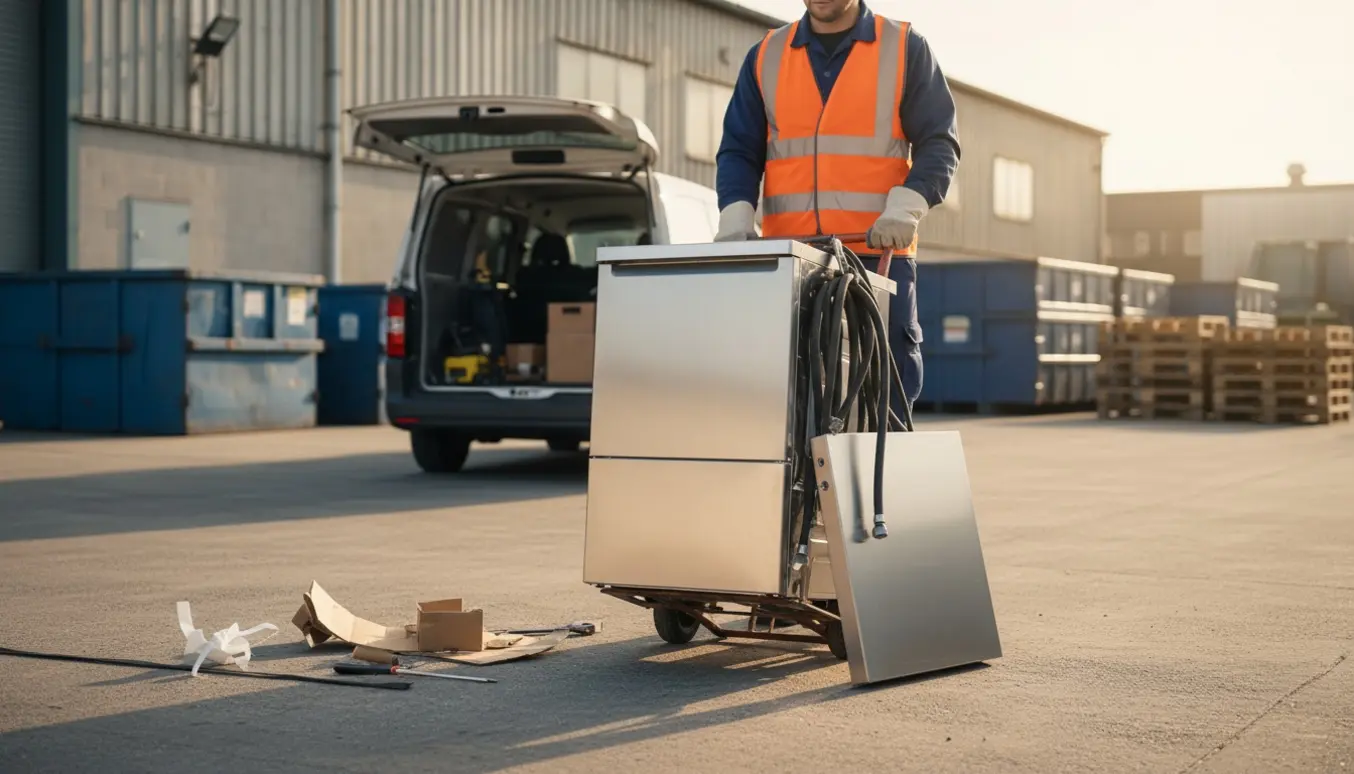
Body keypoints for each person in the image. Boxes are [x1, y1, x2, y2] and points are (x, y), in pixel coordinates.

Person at [714, 0, 961, 410]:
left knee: (884, 395)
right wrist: (736, 218)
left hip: (877, 258)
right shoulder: (766, 56)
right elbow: (739, 149)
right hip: (792, 261)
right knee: (787, 402)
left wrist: (907, 207)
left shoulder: (903, 47)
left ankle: (880, 473)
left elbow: (940, 141)